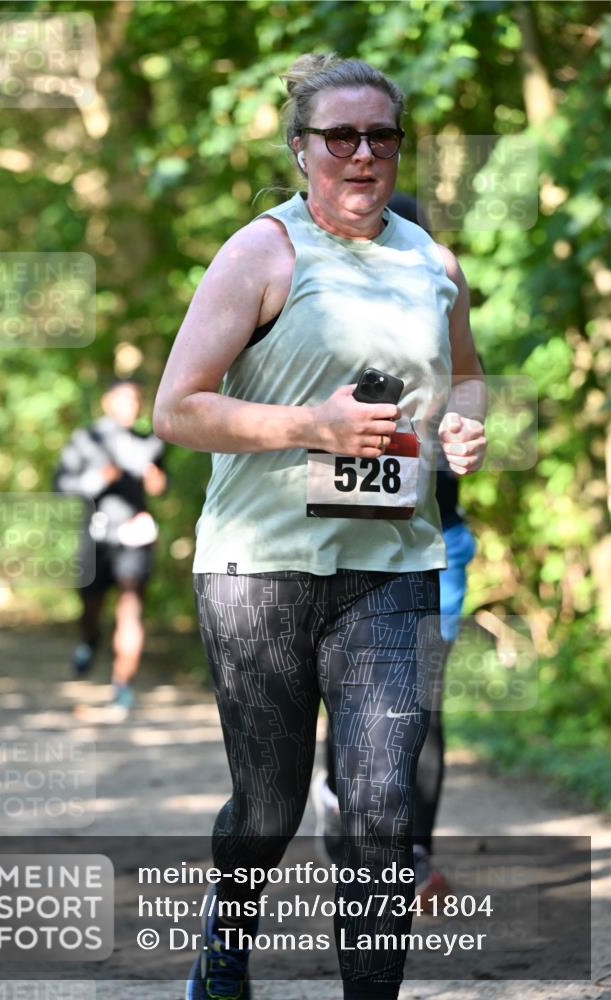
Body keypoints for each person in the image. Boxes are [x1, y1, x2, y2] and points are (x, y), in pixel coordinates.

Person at [153, 52, 487, 1000]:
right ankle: (226, 946)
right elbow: (176, 410)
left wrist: (464, 422)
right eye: (339, 136)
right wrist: (310, 426)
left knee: (382, 809)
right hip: (258, 570)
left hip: (394, 566)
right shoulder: (262, 252)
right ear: (301, 149)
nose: (362, 153)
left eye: (380, 136)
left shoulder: (434, 260)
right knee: (269, 806)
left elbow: (463, 374)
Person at [312, 194, 478, 907]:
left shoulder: (436, 309)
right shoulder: (312, 317)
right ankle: (347, 826)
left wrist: (461, 429)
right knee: (345, 700)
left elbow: (469, 394)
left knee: (421, 706)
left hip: (433, 543)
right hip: (335, 546)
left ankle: (409, 857)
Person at [55, 376, 167, 717]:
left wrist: (155, 480)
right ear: (107, 402)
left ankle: (122, 685)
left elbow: (161, 483)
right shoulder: (85, 439)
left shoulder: (149, 443)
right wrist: (100, 479)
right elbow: (62, 488)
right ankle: (89, 640)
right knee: (91, 607)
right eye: (123, 401)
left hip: (135, 537)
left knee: (131, 606)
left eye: (135, 402)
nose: (130, 408)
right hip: (95, 538)